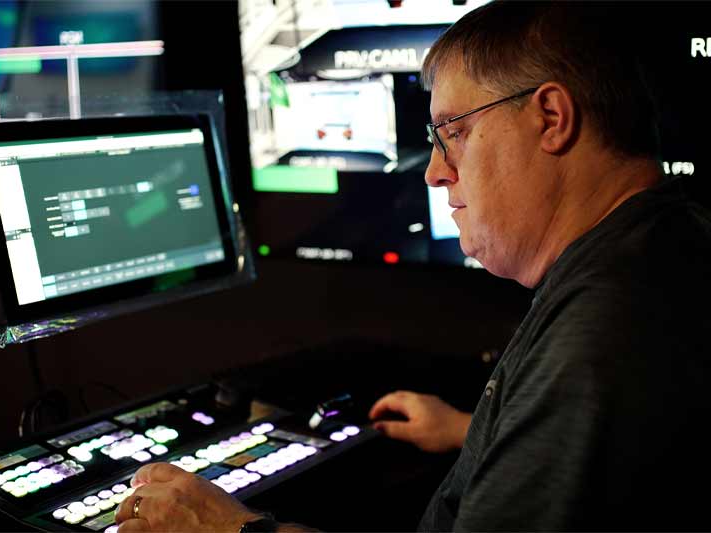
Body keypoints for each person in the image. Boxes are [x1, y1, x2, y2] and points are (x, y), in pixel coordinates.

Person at [114, 1, 711, 531]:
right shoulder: (665, 243)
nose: (434, 171)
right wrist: (480, 429)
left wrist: (225, 529)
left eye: (453, 131)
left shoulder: (600, 335)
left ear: (551, 118)